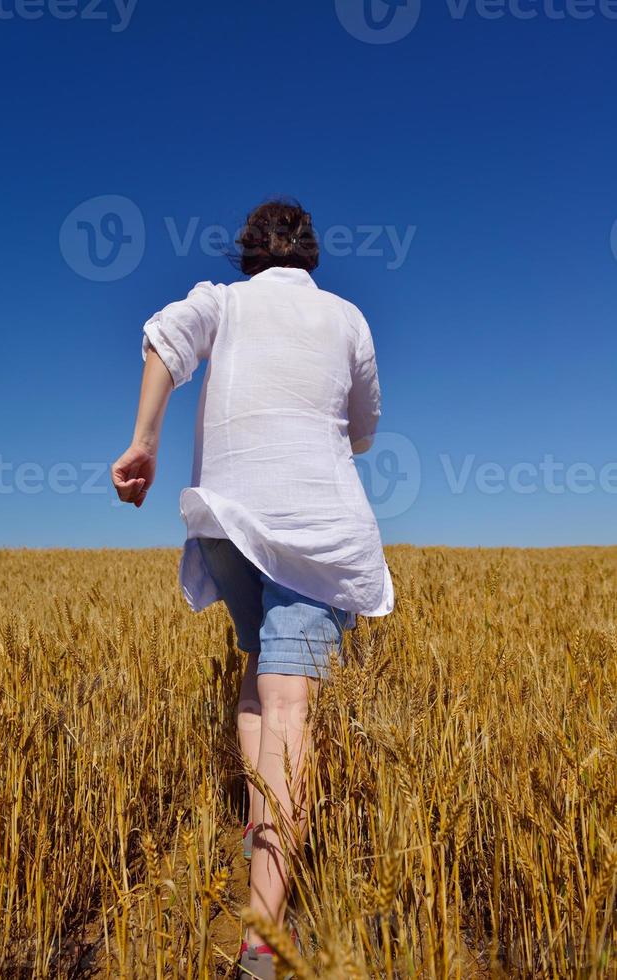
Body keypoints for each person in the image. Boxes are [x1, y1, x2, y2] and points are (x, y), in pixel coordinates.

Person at [111, 199, 394, 980]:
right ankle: (262, 942)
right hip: (310, 525)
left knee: (254, 671)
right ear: (310, 255)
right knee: (290, 701)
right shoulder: (347, 319)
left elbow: (165, 337)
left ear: (247, 255)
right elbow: (363, 427)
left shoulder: (221, 301)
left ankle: (258, 833)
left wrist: (144, 440)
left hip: (225, 520)